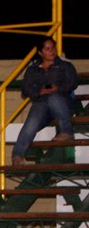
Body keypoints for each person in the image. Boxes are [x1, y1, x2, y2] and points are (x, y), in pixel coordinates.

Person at [12, 36, 78, 165]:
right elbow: (25, 90)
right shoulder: (33, 69)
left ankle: (66, 132)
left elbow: (73, 83)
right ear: (40, 53)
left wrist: (57, 88)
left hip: (62, 103)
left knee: (54, 97)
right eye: (47, 49)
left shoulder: (65, 66)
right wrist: (39, 92)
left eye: (53, 48)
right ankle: (17, 155)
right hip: (42, 103)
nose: (52, 51)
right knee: (31, 122)